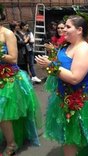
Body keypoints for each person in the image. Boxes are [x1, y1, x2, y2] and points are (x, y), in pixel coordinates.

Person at [35, 15, 88, 156]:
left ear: (79, 30)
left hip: (84, 99)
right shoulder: (66, 46)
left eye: (68, 27)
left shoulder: (83, 49)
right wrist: (49, 65)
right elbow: (61, 68)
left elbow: (75, 78)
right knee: (70, 135)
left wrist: (51, 65)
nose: (63, 30)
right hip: (65, 97)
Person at [0, 7, 41, 156]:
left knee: (3, 113)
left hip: (7, 79)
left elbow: (13, 58)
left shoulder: (7, 33)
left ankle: (12, 144)